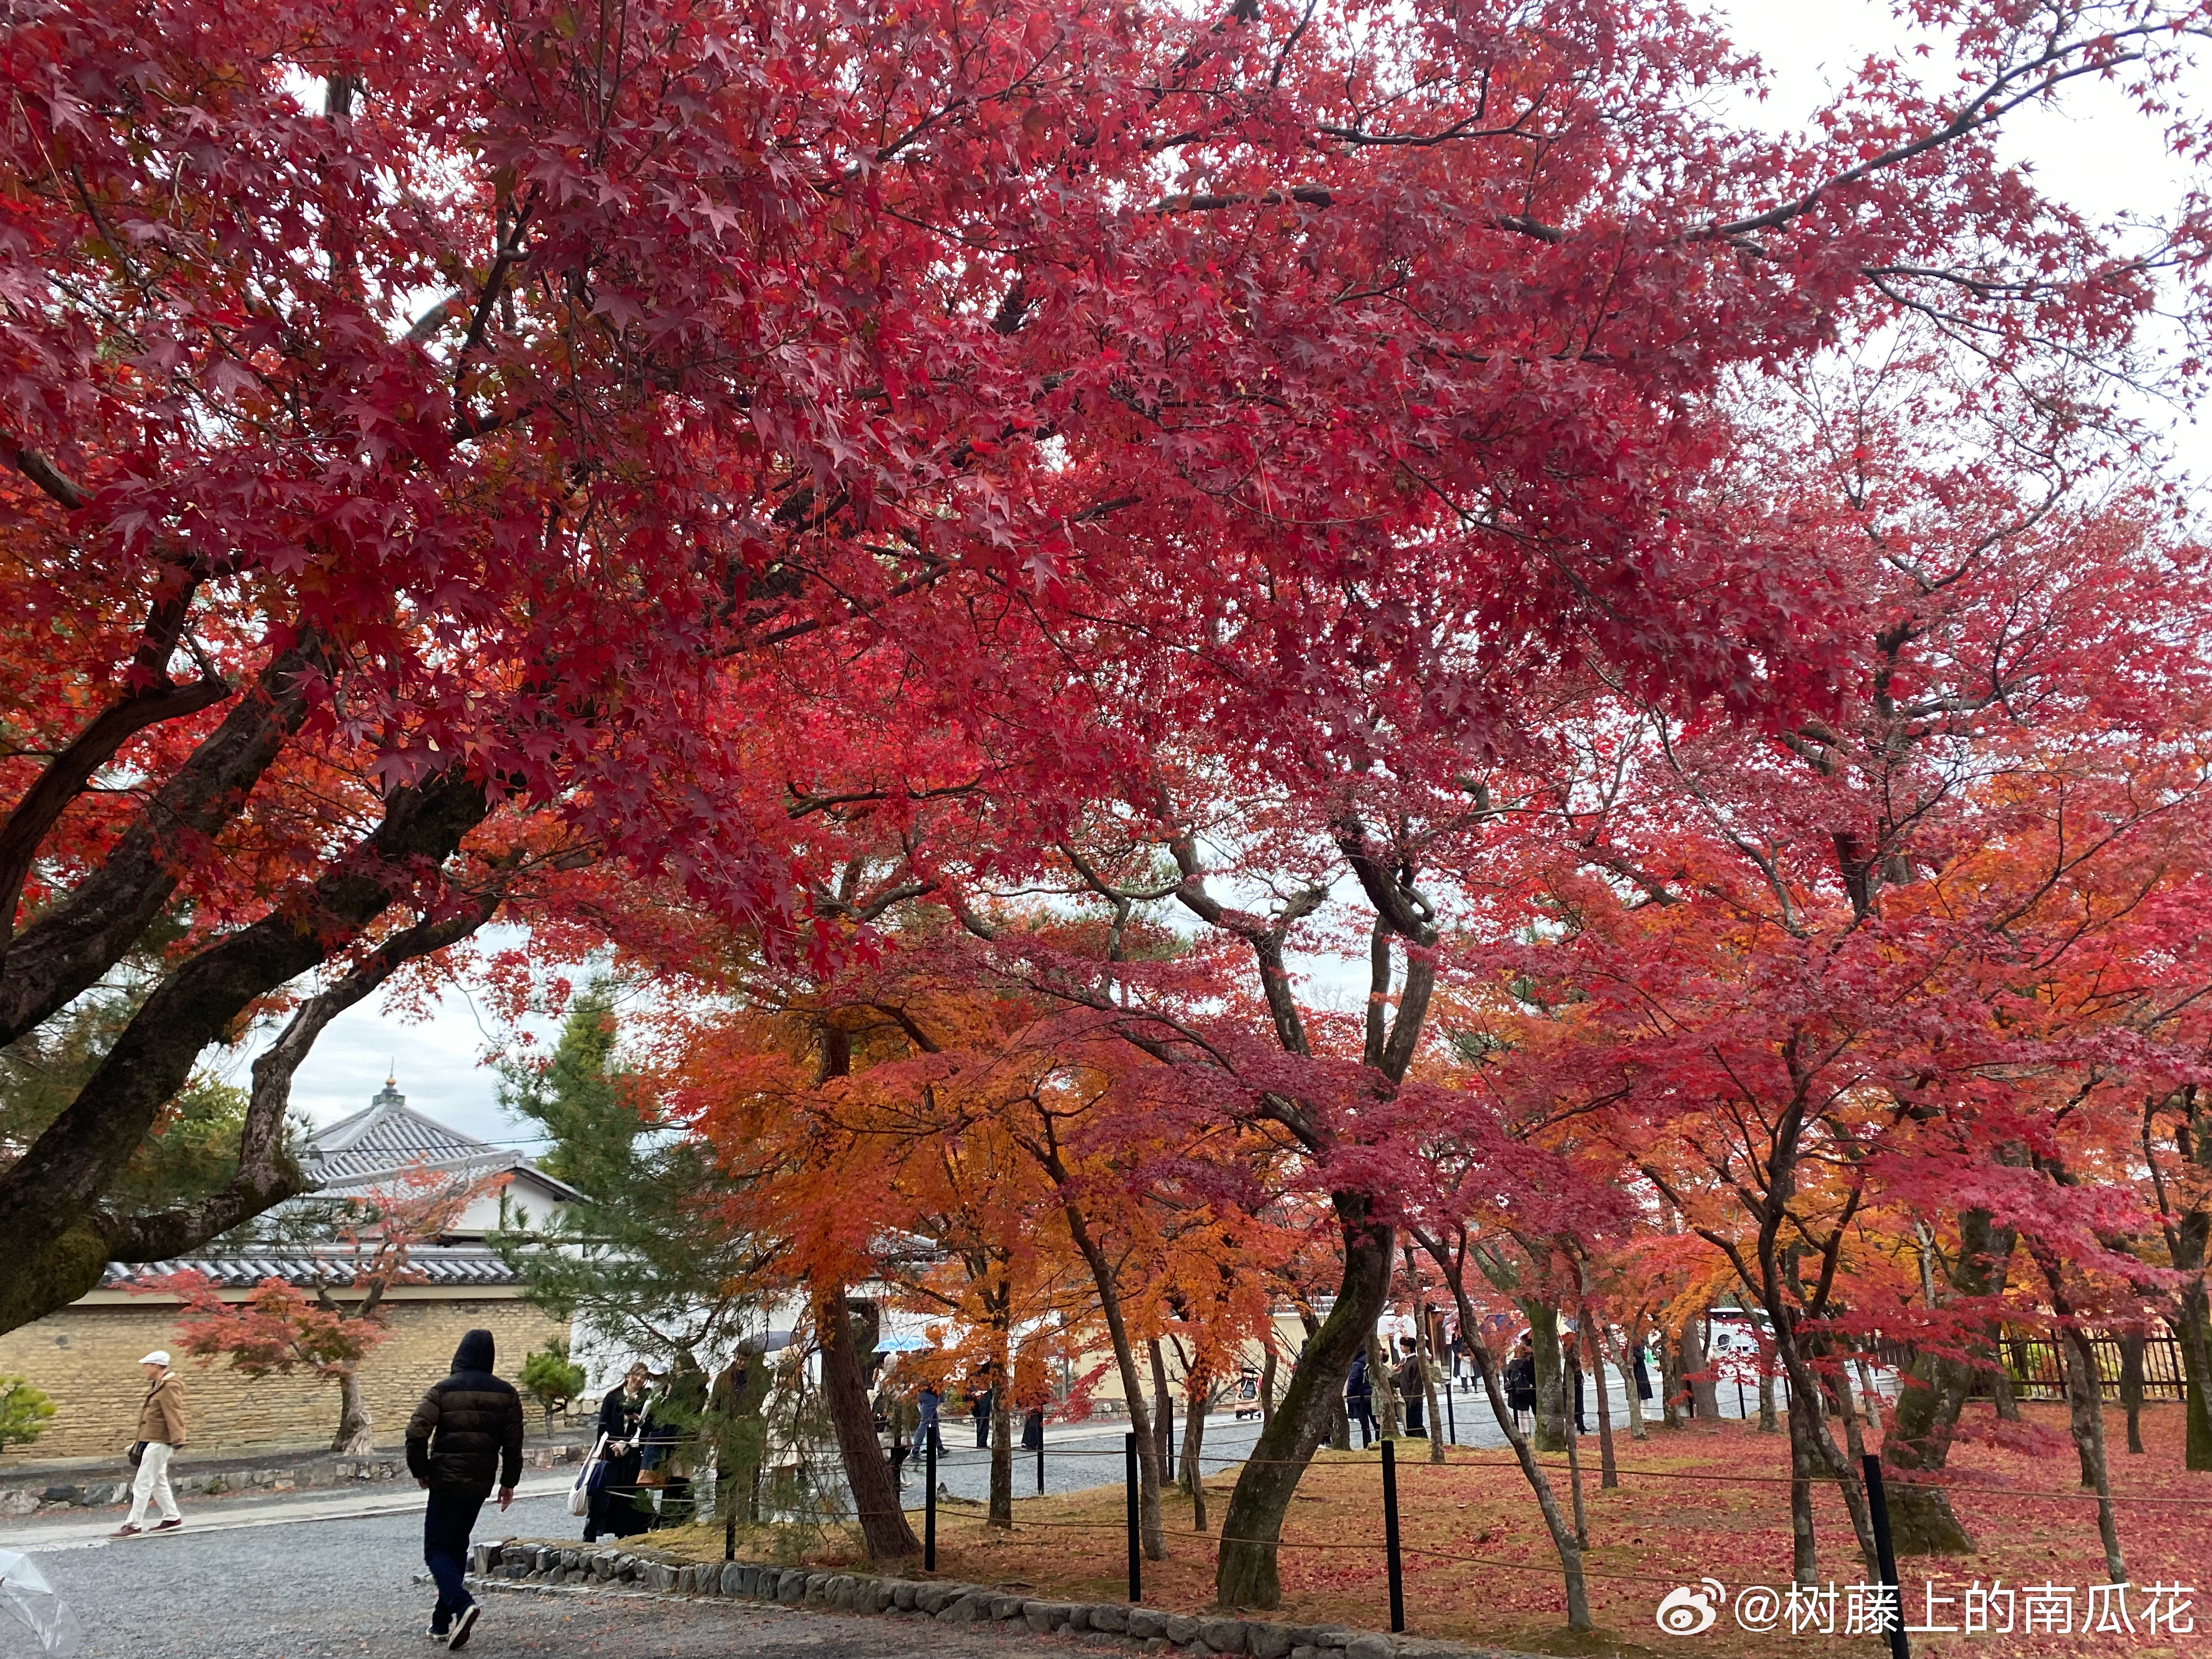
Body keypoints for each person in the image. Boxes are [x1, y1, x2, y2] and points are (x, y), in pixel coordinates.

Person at [406, 1328, 523, 1650]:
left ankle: (461, 1605)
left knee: (435, 1549)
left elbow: (416, 1433)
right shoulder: (506, 1394)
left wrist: (421, 1470)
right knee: (456, 1547)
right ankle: (441, 1623)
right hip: (480, 1481)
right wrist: (508, 1482)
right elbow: (513, 1445)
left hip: (444, 1480)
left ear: (460, 1353)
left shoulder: (442, 1390)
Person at [114, 1350, 186, 1538]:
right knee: (158, 1481)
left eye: (146, 1366)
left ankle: (134, 1525)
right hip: (152, 1440)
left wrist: (178, 1439)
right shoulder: (160, 1385)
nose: (144, 1370)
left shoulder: (170, 1386)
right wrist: (138, 1443)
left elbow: (174, 1413)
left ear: (155, 1366)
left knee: (143, 1483)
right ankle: (172, 1518)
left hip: (161, 1441)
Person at [588, 1362, 652, 1543]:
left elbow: (649, 1426)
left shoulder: (647, 1398)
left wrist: (637, 1424)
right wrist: (610, 1447)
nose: (639, 1379)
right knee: (608, 1493)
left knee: (631, 1493)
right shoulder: (613, 1397)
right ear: (629, 1375)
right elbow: (603, 1426)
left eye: (643, 1377)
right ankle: (600, 1531)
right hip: (613, 1453)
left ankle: (633, 1534)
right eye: (636, 1375)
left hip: (635, 1453)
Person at [1395, 1338, 1427, 1437]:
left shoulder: (1416, 1362)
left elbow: (1417, 1383)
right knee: (1407, 1425)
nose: (1401, 1347)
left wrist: (1414, 1399)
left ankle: (1423, 1442)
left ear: (1409, 1347)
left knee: (1416, 1425)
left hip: (1413, 1399)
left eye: (1403, 1345)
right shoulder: (1404, 1361)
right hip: (1405, 1398)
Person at [1504, 1336, 1537, 1430]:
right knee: (1526, 1412)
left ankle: (1521, 1432)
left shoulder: (1512, 1364)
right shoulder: (1528, 1363)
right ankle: (1528, 1432)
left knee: (1519, 1413)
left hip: (1516, 1390)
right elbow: (1531, 1375)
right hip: (1527, 1390)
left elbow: (1509, 1376)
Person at [1345, 1347, 1375, 1448]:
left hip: (1360, 1397)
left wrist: (1349, 1394)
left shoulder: (1357, 1365)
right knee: (1376, 1422)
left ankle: (1367, 1444)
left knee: (1365, 1425)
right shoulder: (1369, 1360)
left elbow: (1353, 1382)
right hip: (1370, 1395)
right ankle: (1379, 1441)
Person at [1562, 1331, 1588, 1434]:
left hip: (1571, 1377)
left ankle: (1578, 1422)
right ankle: (1579, 1423)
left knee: (1575, 1400)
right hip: (1574, 1378)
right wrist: (1580, 1376)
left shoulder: (1568, 1351)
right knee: (1578, 1400)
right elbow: (1576, 1366)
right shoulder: (1572, 1352)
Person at [916, 1378, 946, 1458]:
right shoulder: (933, 1371)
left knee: (934, 1421)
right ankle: (915, 1450)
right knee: (925, 1422)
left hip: (926, 1394)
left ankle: (940, 1448)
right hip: (930, 1395)